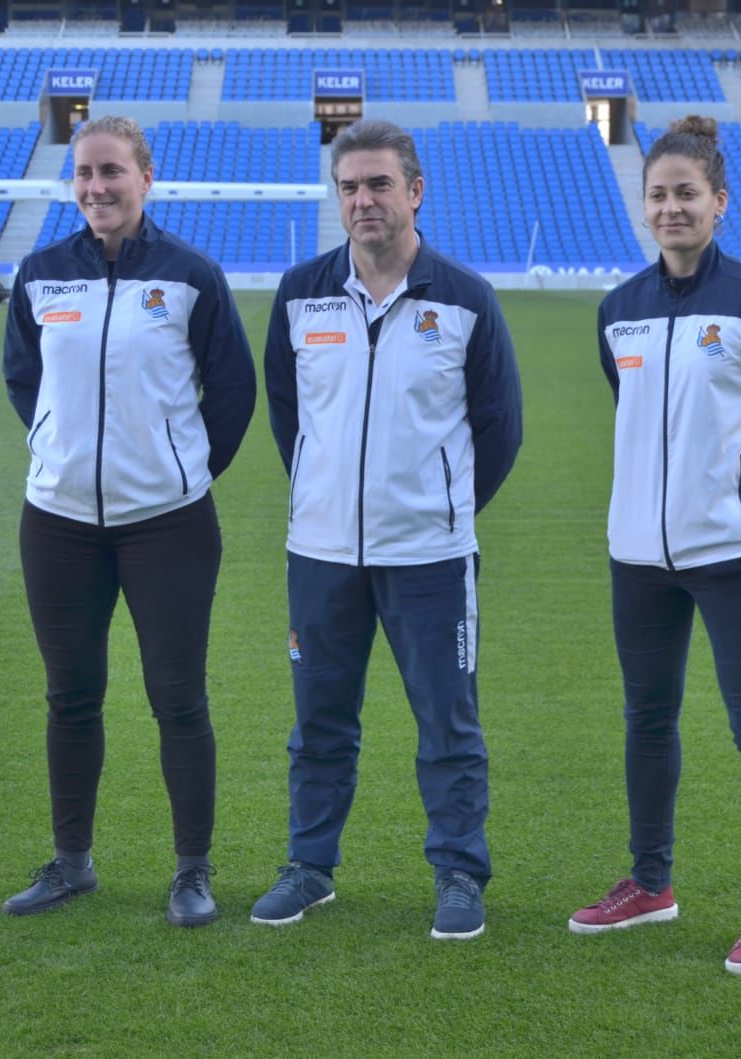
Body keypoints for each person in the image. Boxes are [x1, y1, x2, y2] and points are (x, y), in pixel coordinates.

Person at [252, 119, 523, 940]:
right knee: (320, 724)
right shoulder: (302, 294)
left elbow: (498, 428)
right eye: (349, 187)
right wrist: (329, 498)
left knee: (448, 723)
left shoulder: (465, 297)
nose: (363, 200)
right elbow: (288, 414)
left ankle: (459, 873)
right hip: (322, 555)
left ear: (415, 190)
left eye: (378, 184)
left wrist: (435, 508)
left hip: (431, 558)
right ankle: (309, 866)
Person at [569, 115, 741, 977]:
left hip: (737, 555)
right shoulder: (619, 311)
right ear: (644, 207)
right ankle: (650, 883)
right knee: (647, 719)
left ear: (719, 202)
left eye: (687, 193)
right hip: (638, 554)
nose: (671, 207)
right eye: (659, 194)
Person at [0, 115, 256, 926]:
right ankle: (72, 863)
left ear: (147, 176)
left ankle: (191, 871)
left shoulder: (191, 275)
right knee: (70, 695)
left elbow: (233, 392)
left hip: (169, 525)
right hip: (59, 522)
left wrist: (176, 473)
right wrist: (60, 452)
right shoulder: (42, 274)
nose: (96, 188)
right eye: (83, 174)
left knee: (177, 697)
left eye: (112, 171)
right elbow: (24, 379)